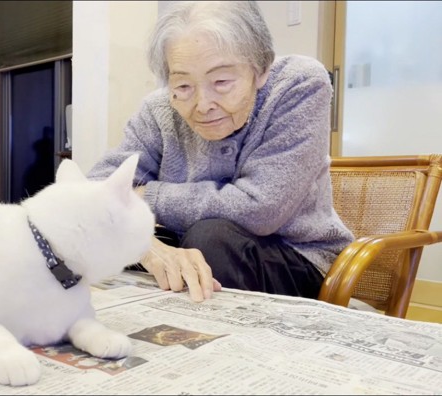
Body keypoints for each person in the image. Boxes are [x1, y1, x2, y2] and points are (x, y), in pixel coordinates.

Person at [87, 1, 354, 303]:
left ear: (261, 68)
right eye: (184, 86)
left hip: (295, 255)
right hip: (199, 247)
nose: (203, 105)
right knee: (125, 242)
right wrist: (143, 245)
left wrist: (145, 197)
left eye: (222, 82)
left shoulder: (299, 83)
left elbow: (260, 208)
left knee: (210, 240)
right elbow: (94, 193)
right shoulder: (158, 109)